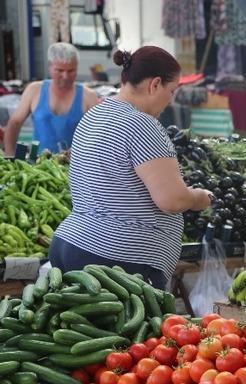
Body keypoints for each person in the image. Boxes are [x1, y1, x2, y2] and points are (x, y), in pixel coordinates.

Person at [49, 47, 211, 289]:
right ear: (155, 84)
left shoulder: (94, 115)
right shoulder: (142, 125)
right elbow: (172, 200)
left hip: (74, 243)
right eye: (172, 90)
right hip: (117, 260)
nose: (170, 100)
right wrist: (199, 198)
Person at [4, 43, 98, 155]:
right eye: (60, 70)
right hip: (37, 166)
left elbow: (97, 136)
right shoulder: (34, 90)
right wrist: (10, 154)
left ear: (77, 67)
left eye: (71, 71)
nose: (65, 76)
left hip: (74, 166)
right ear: (50, 66)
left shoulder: (88, 96)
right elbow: (14, 123)